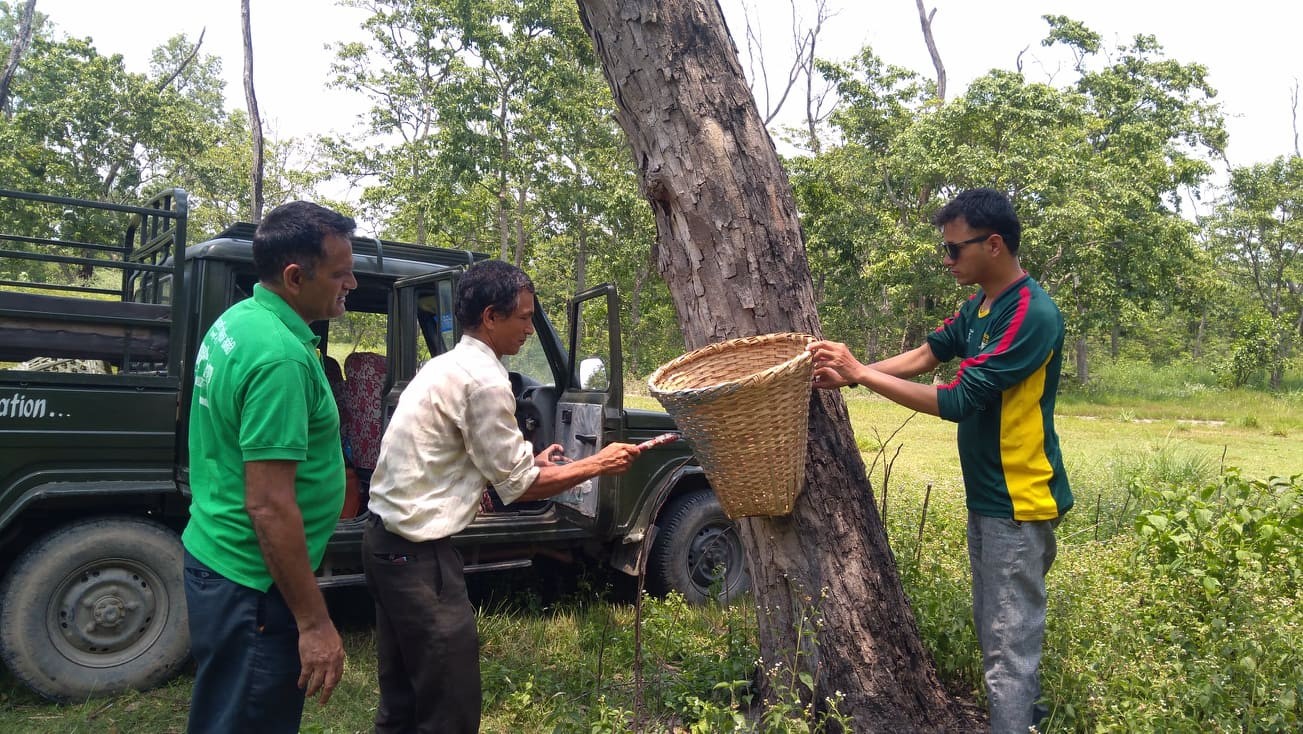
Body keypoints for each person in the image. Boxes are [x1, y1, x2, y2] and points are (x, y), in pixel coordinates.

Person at [807, 188, 1073, 733]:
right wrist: (850, 375)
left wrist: (860, 374)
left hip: (1018, 503)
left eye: (955, 250)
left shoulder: (1031, 315)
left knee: (1007, 658)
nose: (947, 260)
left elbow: (956, 400)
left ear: (993, 245)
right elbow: (929, 354)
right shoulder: (982, 304)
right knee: (1000, 638)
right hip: (991, 500)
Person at [363, 259, 643, 733]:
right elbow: (520, 490)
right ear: (491, 317)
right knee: (450, 706)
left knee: (403, 699)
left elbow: (453, 457)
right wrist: (597, 463)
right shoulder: (487, 382)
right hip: (419, 559)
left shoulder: (448, 365)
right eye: (525, 317)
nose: (530, 330)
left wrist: (528, 460)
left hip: (384, 546)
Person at [183, 201, 357, 733]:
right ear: (294, 276)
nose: (351, 282)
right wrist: (314, 622)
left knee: (225, 713)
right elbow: (268, 502)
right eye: (340, 273)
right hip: (254, 583)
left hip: (221, 559)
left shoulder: (239, 321)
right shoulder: (279, 357)